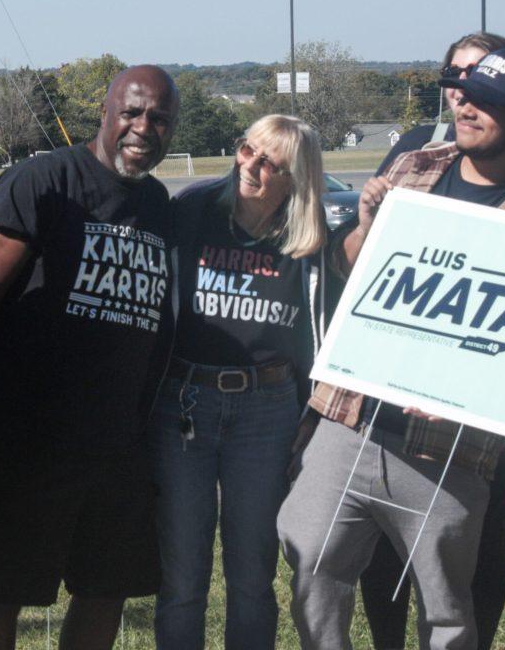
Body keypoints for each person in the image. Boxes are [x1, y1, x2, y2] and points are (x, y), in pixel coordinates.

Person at [278, 48, 505, 650]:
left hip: (449, 448)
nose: (467, 106)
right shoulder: (414, 165)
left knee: (446, 609)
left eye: (491, 102)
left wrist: (470, 398)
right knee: (310, 562)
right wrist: (360, 229)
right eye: (464, 93)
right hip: (350, 416)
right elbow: (347, 272)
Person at [0, 66, 179, 650]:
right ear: (105, 113)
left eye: (158, 118)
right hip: (32, 440)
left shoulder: (158, 203)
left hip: (118, 445)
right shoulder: (45, 180)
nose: (143, 128)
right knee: (3, 592)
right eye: (131, 112)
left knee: (105, 589)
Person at [149, 115, 337, 649]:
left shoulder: (310, 236)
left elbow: (321, 328)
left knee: (252, 577)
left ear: (296, 177)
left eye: (269, 162)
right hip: (184, 400)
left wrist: (314, 410)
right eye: (247, 150)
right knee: (182, 577)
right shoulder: (193, 210)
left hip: (267, 408)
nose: (250, 166)